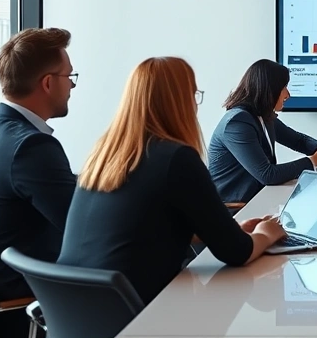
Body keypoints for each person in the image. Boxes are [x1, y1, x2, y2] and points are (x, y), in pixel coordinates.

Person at [58, 57, 286, 305]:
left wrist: (230, 231)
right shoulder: (177, 158)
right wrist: (267, 232)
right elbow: (237, 253)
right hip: (137, 315)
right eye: (194, 94)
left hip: (78, 310)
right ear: (180, 102)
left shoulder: (103, 155)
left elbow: (143, 230)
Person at [0, 27, 77, 336]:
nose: (72, 87)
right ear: (48, 83)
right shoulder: (32, 146)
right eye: (70, 77)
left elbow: (55, 190)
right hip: (21, 294)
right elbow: (81, 227)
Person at [208, 59, 317, 205]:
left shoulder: (261, 115)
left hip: (258, 202)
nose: (288, 94)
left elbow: (297, 140)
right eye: (284, 87)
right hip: (233, 210)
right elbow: (267, 175)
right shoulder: (237, 122)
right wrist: (315, 160)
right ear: (269, 89)